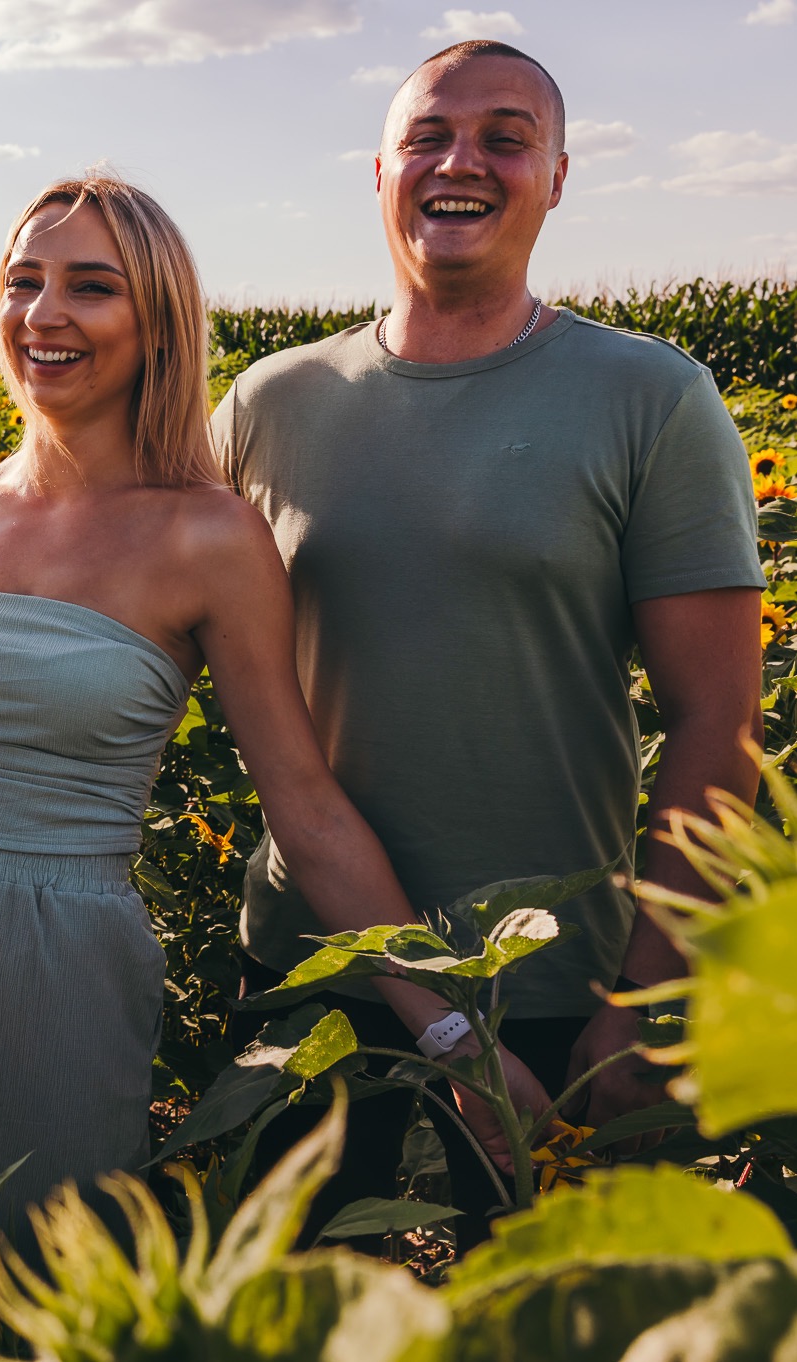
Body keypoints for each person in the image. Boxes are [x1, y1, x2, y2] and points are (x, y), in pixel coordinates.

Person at [0, 171, 525, 1352]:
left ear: (157, 324)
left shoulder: (208, 534)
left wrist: (451, 1033)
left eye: (91, 287)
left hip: (60, 958)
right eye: (24, 281)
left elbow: (304, 806)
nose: (45, 313)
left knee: (61, 1305)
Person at [214, 40, 765, 1245]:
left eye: (506, 139)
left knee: (542, 1304)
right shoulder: (269, 404)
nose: (460, 161)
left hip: (555, 981)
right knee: (285, 1300)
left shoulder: (650, 400)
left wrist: (646, 998)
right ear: (379, 172)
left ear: (557, 177)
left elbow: (717, 724)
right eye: (428, 136)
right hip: (317, 966)